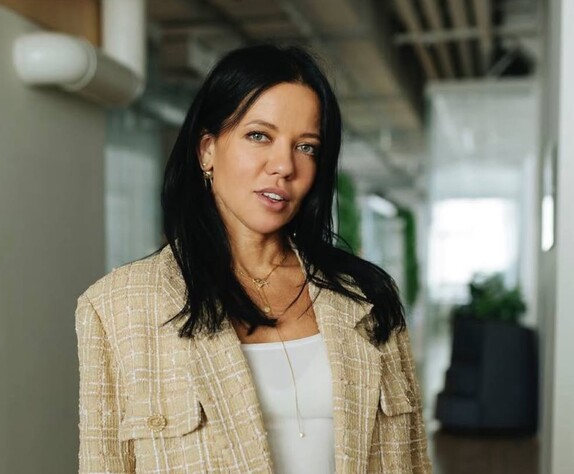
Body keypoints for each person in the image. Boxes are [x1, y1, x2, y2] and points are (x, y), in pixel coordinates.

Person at [76, 44, 431, 474]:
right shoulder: (118, 307)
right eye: (259, 135)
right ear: (207, 150)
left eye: (306, 147)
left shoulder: (367, 298)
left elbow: (414, 461)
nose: (284, 165)